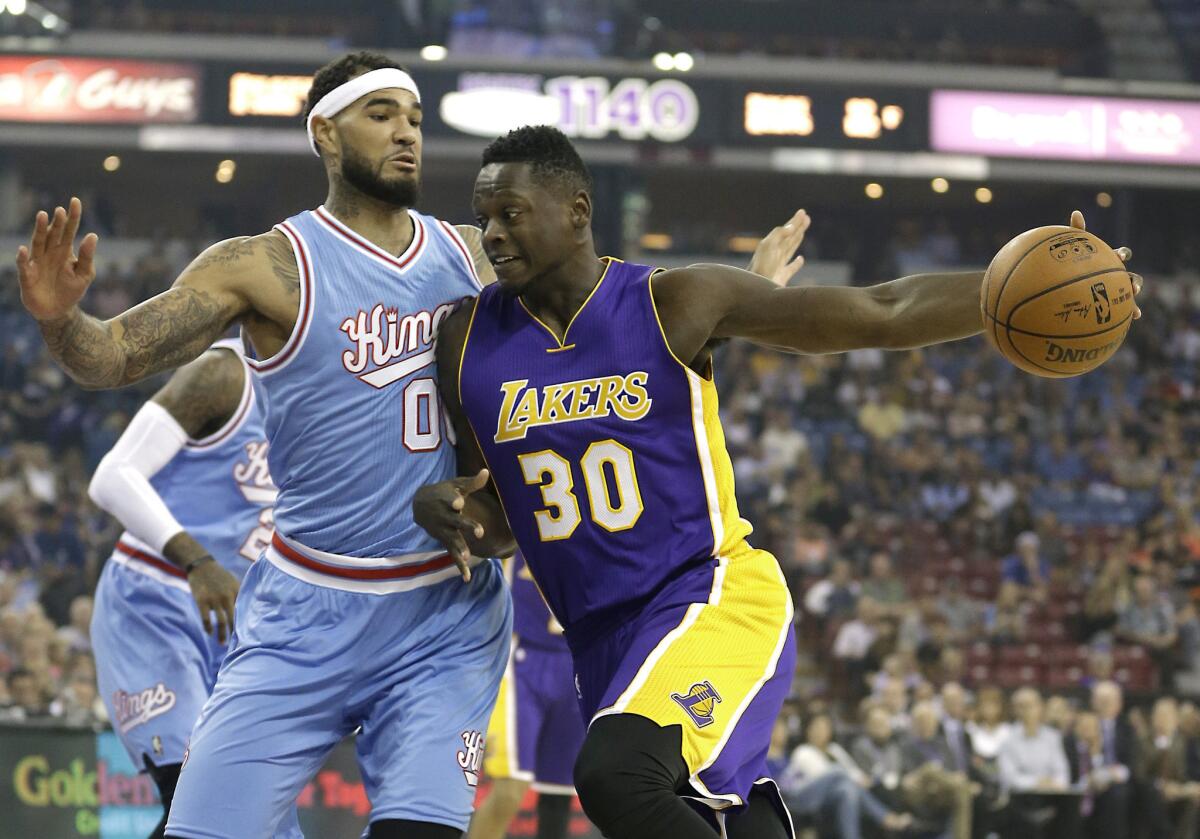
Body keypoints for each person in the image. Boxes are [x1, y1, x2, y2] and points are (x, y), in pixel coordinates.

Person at [414, 124, 1138, 838]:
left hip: (708, 596)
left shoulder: (673, 302)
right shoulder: (466, 339)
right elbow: (501, 519)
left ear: (576, 209)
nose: (493, 235)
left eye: (511, 213)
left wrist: (1013, 287)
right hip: (597, 637)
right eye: (484, 219)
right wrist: (450, 510)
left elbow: (879, 311)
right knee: (725, 817)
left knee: (613, 774)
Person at [16, 51, 516, 839]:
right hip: (303, 609)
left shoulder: (472, 256)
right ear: (325, 132)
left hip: (441, 611)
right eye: (381, 115)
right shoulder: (268, 265)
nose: (406, 134)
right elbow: (112, 355)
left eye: (415, 119)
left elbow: (601, 330)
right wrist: (59, 321)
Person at [86, 340, 298, 839]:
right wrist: (197, 560)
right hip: (155, 599)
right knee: (196, 795)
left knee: (261, 817)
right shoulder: (224, 374)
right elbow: (112, 477)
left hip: (242, 623)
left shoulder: (333, 394)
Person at [470, 551, 584, 839]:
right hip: (521, 653)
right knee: (510, 789)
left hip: (577, 656)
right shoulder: (520, 506)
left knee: (558, 791)